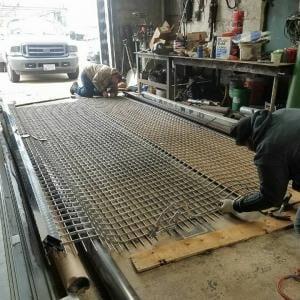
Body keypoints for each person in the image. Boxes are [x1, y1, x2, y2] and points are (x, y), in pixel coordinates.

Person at [220, 109, 300, 236]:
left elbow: (270, 198)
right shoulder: (279, 114)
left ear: (250, 138)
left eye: (246, 145)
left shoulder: (268, 149)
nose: (249, 149)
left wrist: (235, 205)